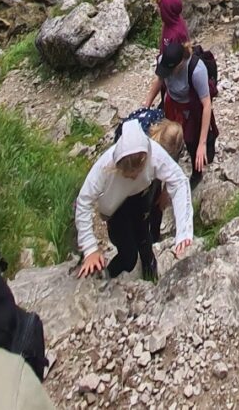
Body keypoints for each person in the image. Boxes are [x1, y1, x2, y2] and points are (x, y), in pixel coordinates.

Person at [74, 117, 193, 282]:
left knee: (146, 243)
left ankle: (150, 280)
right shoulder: (104, 165)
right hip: (116, 208)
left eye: (136, 171)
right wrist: (90, 249)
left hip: (141, 199)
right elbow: (84, 201)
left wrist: (184, 232)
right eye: (128, 173)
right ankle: (104, 278)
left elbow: (179, 182)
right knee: (129, 257)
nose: (132, 176)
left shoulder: (155, 154)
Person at [143, 39, 217, 182]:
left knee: (191, 141)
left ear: (180, 64)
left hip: (191, 108)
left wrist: (201, 144)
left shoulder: (196, 70)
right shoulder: (164, 61)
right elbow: (159, 80)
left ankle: (197, 172)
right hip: (172, 103)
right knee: (167, 137)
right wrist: (146, 105)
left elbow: (206, 104)